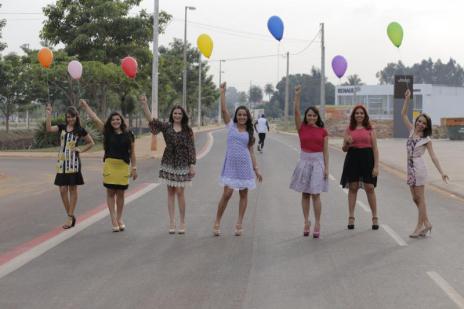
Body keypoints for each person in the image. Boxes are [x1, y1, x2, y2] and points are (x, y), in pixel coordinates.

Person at [140, 95, 196, 235]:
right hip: (169, 160)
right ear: (172, 115)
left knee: (180, 192)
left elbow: (191, 147)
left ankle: (182, 221)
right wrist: (145, 105)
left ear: (183, 115)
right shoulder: (166, 126)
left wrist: (192, 164)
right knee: (170, 192)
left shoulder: (188, 130)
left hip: (183, 162)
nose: (177, 115)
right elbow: (152, 121)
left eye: (179, 113)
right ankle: (172, 222)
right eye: (175, 113)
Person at [79, 100, 137, 232]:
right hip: (110, 165)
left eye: (118, 119)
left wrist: (134, 168)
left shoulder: (129, 135)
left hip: (123, 166)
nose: (115, 122)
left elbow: (132, 153)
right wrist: (86, 106)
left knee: (121, 194)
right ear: (110, 122)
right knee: (111, 193)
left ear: (121, 120)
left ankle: (120, 218)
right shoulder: (107, 132)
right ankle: (113, 218)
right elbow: (94, 118)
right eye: (113, 120)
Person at [213, 82, 263, 236]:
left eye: (244, 115)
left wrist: (257, 169)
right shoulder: (231, 127)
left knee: (243, 194)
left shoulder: (249, 132)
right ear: (236, 116)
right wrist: (222, 93)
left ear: (248, 117)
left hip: (245, 167)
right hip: (230, 166)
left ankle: (239, 223)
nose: (241, 117)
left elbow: (252, 152)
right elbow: (223, 110)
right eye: (239, 114)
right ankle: (217, 222)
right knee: (227, 194)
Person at [402, 89, 449, 238]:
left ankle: (419, 226)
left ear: (426, 126)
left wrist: (442, 172)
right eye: (419, 121)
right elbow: (403, 114)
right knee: (415, 199)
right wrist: (407, 99)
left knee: (420, 198)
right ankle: (427, 223)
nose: (420, 124)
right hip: (409, 169)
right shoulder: (411, 131)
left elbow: (433, 156)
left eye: (424, 123)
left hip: (419, 168)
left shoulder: (426, 140)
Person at [45, 104, 94, 229]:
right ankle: (70, 215)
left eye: (72, 117)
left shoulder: (80, 130)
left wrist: (81, 150)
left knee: (72, 189)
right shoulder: (62, 127)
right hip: (62, 162)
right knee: (62, 190)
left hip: (73, 162)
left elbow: (91, 143)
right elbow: (49, 129)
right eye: (68, 117)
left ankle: (69, 216)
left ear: (76, 117)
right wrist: (49, 113)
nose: (70, 119)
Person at [289, 85, 328, 238]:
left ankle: (317, 223)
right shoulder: (301, 128)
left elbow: (326, 151)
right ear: (306, 117)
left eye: (314, 116)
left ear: (318, 117)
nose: (311, 118)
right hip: (304, 161)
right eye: (309, 115)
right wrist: (297, 96)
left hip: (318, 163)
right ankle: (306, 222)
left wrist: (326, 168)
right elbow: (296, 112)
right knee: (305, 194)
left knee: (316, 194)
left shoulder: (323, 131)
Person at [340, 105, 379, 230]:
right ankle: (351, 217)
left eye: (361, 113)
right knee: (353, 187)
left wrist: (376, 166)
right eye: (357, 113)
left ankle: (375, 217)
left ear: (365, 115)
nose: (359, 115)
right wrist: (347, 143)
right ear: (353, 115)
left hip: (367, 159)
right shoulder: (349, 129)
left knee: (370, 187)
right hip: (353, 159)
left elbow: (375, 149)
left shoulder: (370, 129)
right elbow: (344, 149)